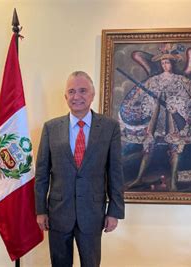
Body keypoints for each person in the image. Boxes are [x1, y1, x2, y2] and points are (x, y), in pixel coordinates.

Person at [35, 71, 125, 267]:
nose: (77, 97)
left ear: (92, 94)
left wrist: (114, 211)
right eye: (72, 91)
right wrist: (40, 210)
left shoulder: (110, 127)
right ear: (65, 96)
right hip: (58, 213)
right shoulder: (51, 128)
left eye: (83, 91)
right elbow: (42, 174)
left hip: (92, 213)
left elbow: (115, 172)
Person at [121, 45, 191, 191]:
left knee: (175, 149)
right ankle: (138, 179)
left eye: (168, 62)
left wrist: (181, 111)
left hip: (173, 121)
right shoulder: (152, 81)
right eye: (163, 63)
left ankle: (173, 182)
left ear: (172, 64)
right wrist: (146, 108)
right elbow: (134, 97)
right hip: (155, 121)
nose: (165, 65)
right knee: (148, 149)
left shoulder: (182, 80)